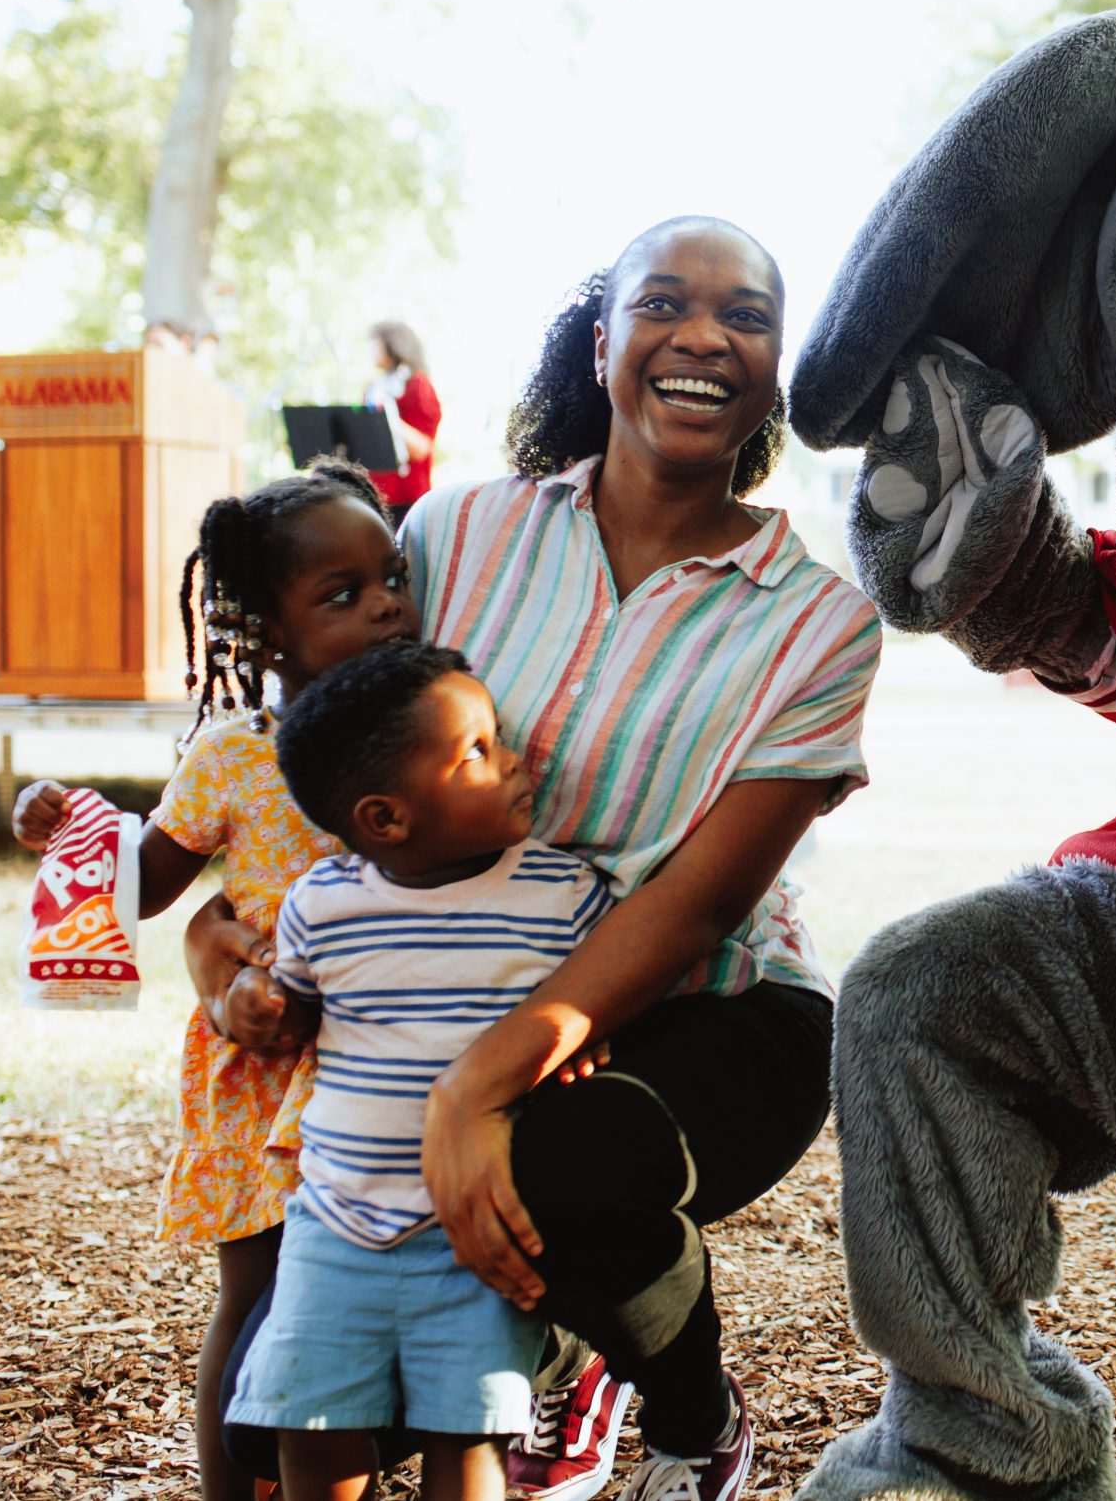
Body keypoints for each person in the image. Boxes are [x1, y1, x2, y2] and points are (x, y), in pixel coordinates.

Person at [191, 217, 881, 1501]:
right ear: (602, 340)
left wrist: (473, 1092)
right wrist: (215, 938)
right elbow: (329, 767)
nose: (701, 335)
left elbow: (701, 902)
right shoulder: (452, 539)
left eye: (746, 316)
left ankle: (688, 1414)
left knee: (567, 1165)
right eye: (662, 302)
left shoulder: (821, 621)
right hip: (451, 979)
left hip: (712, 1010)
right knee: (270, 1439)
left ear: (777, 366)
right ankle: (555, 1336)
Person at [12, 459, 419, 1501]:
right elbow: (149, 884)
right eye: (342, 595)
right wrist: (69, 822)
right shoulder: (236, 754)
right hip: (262, 1073)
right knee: (256, 1297)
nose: (384, 606)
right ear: (269, 635)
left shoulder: (430, 733)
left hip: (386, 1063)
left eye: (391, 578)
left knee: (372, 1300)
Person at [234, 642, 615, 1501]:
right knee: (313, 1424)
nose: (514, 758)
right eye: (477, 750)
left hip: (473, 1230)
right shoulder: (324, 905)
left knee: (467, 1431)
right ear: (386, 818)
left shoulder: (564, 896)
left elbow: (608, 1003)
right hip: (334, 1225)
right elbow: (286, 1014)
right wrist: (251, 1004)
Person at [363, 320, 442, 518]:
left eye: (375, 343)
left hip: (407, 500)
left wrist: (385, 418)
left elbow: (421, 449)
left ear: (393, 344)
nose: (371, 349)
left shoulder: (417, 386)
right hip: (375, 496)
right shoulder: (374, 388)